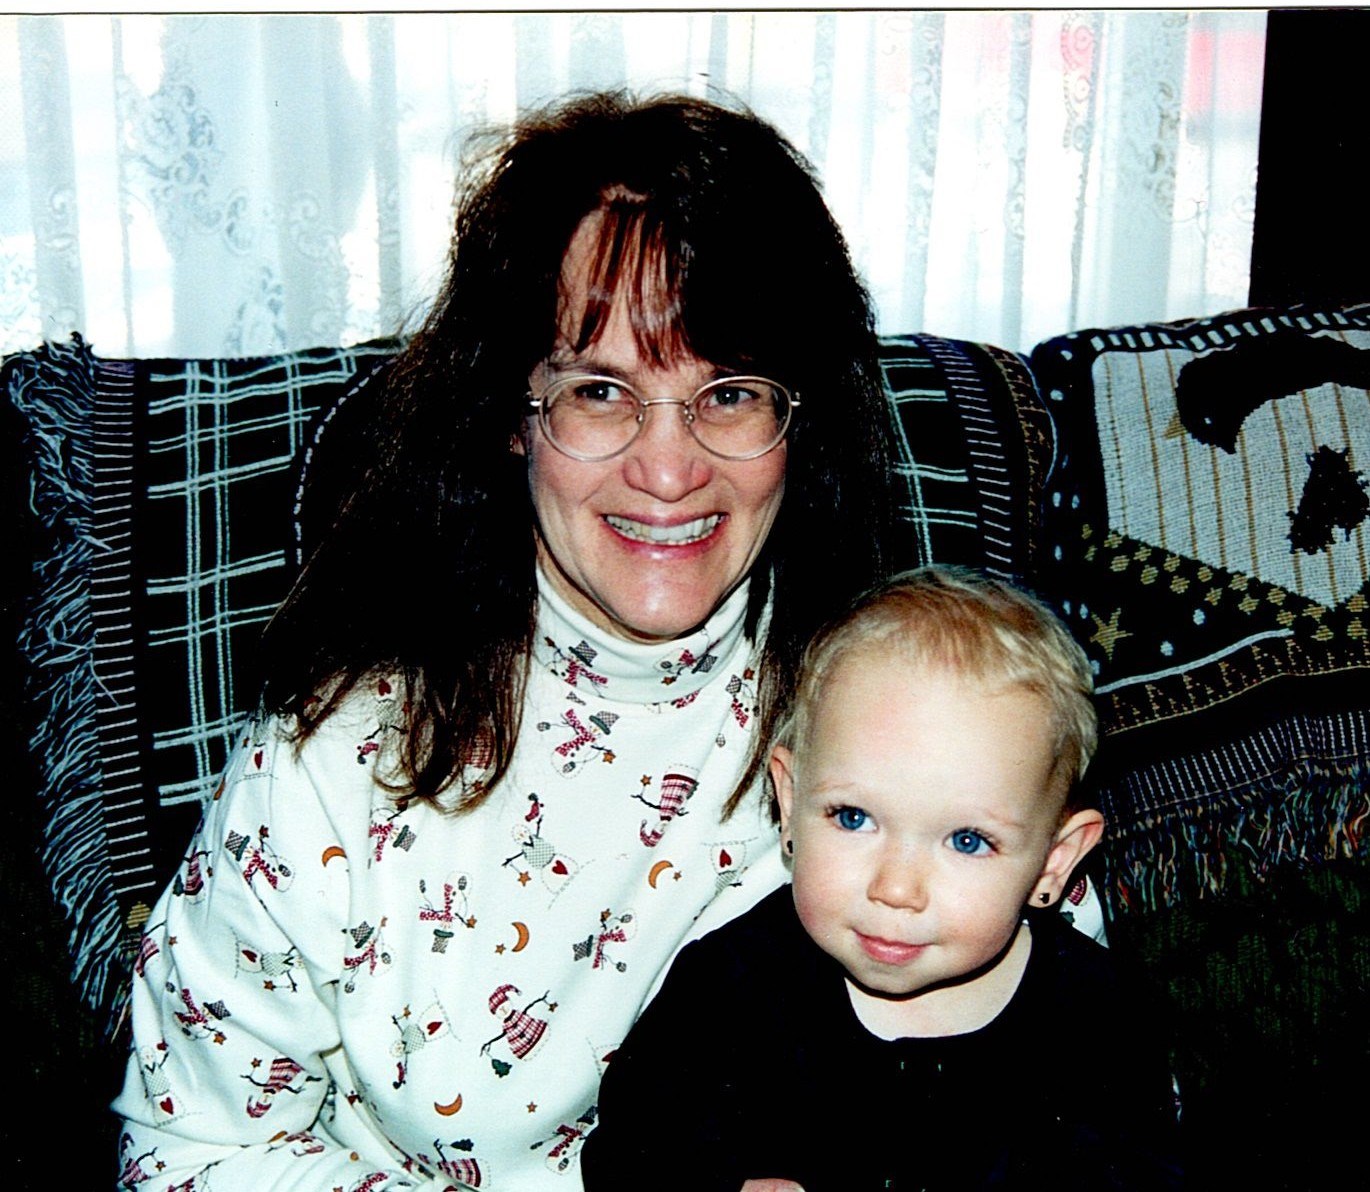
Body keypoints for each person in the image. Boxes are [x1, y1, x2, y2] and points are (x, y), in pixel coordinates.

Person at [111, 91, 897, 1190]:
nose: (667, 471)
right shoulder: (338, 760)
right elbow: (183, 1154)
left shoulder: (912, 714)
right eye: (598, 392)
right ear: (511, 414)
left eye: (726, 393)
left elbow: (1059, 1080)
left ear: (796, 418)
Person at [580, 566, 1183, 1192]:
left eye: (967, 841)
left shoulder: (1097, 1015)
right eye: (853, 817)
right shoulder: (731, 985)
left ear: (1054, 862)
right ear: (790, 804)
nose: (896, 889)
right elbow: (625, 1156)